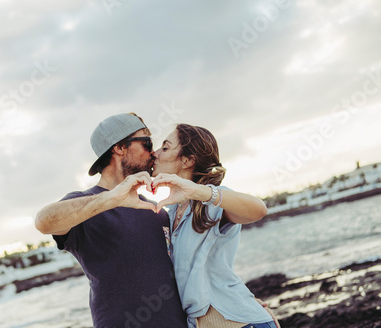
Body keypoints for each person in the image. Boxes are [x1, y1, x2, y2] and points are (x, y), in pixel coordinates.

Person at [35, 113, 189, 327]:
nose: (153, 153)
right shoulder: (85, 205)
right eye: (146, 142)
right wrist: (112, 198)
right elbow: (44, 221)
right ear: (120, 148)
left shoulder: (157, 211)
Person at [151, 123, 280, 328]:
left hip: (241, 323)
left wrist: (198, 191)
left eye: (165, 148)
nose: (154, 153)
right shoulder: (171, 212)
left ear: (187, 160)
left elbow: (259, 210)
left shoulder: (212, 202)